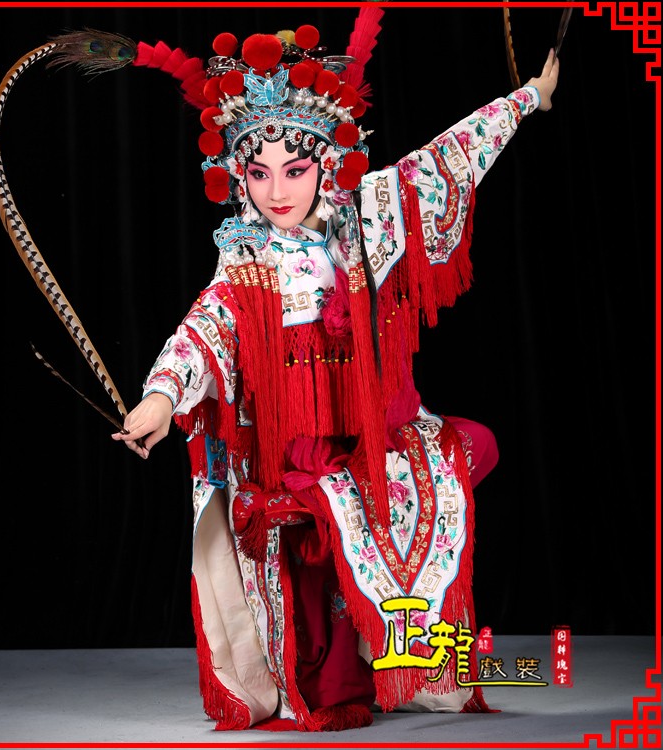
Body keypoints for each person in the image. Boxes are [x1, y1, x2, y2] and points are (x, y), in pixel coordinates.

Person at [105, 8, 559, 731]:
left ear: (327, 161)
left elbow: (452, 155)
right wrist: (160, 399)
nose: (276, 191)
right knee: (320, 567)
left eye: (294, 169)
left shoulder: (372, 214)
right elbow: (203, 330)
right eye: (258, 173)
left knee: (471, 450)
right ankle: (347, 663)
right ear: (237, 174)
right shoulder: (246, 258)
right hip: (301, 452)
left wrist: (528, 98)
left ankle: (407, 654)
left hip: (381, 430)